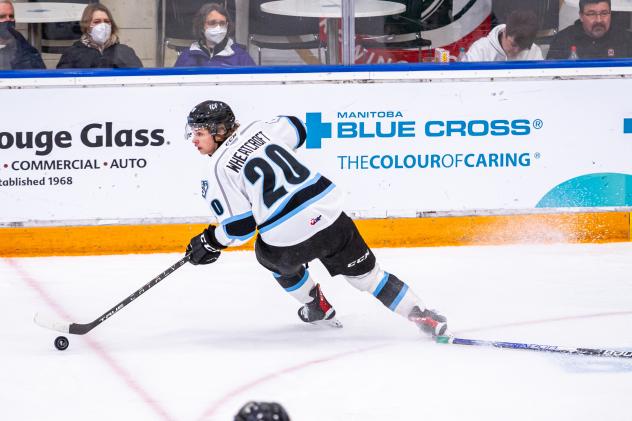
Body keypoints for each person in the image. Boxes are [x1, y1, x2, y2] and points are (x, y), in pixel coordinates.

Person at [184, 100, 448, 337]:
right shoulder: (259, 128)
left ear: (219, 131)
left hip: (286, 240)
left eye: (199, 133)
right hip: (330, 216)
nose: (194, 140)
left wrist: (209, 241)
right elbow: (299, 128)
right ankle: (423, 315)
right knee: (370, 278)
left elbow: (239, 229)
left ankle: (316, 306)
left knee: (267, 255)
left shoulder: (218, 169)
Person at [56, 3, 142, 69]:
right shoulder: (72, 53)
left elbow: (139, 79)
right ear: (87, 26)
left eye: (107, 21)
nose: (103, 25)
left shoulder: (125, 51)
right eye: (97, 22)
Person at [174, 3, 255, 68]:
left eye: (222, 23)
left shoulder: (241, 56)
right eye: (212, 23)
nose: (218, 27)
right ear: (201, 26)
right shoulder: (186, 56)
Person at [547, 0, 632, 59]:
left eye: (604, 13)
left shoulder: (627, 39)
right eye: (591, 14)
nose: (599, 20)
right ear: (581, 16)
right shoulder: (563, 40)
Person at [463, 9, 543, 61]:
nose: (516, 51)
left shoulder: (534, 52)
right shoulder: (481, 49)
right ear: (505, 32)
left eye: (522, 47)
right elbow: (463, 78)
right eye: (513, 45)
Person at [0, 0, 45, 70]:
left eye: (11, 16)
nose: (8, 19)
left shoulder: (20, 42)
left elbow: (36, 71)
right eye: (2, 16)